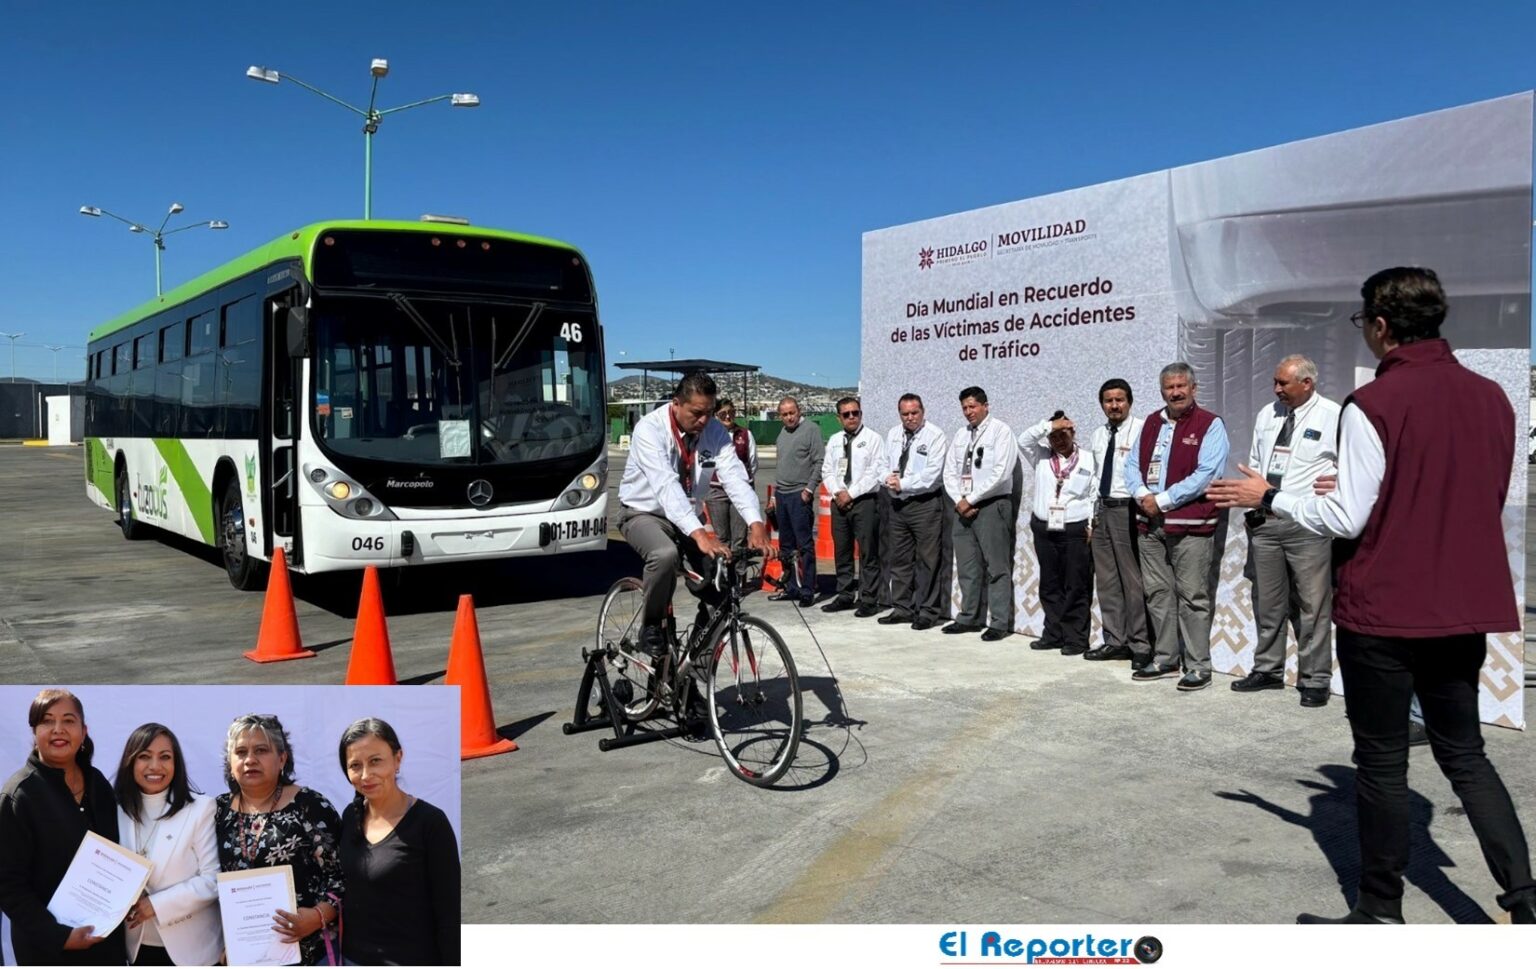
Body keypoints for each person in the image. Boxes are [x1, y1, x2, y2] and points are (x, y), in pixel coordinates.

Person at [1211, 266, 1535, 924]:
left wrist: (1269, 495)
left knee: (1381, 762)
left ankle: (1380, 909)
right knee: (1466, 755)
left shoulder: (1376, 404)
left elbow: (1346, 518)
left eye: (1363, 324)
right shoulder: (1494, 398)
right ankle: (1525, 901)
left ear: (1381, 326)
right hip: (1461, 605)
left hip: (1385, 608)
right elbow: (1479, 497)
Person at [617, 372, 772, 657]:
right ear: (676, 403)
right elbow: (665, 484)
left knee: (721, 593)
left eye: (709, 412)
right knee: (665, 555)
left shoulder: (713, 430)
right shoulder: (649, 429)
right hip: (644, 512)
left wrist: (756, 522)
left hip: (686, 516)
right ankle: (651, 625)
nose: (704, 421)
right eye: (697, 413)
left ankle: (694, 672)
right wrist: (700, 534)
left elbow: (736, 478)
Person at [1232, 355, 1340, 707]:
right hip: (1266, 522)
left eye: (1284, 383)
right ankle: (1268, 669)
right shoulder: (1268, 414)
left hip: (1307, 524)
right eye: (1275, 382)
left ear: (1307, 383)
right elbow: (1258, 461)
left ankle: (1315, 679)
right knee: (1267, 603)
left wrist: (1339, 484)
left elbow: (1353, 465)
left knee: (1312, 605)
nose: (1277, 389)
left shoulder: (1334, 415)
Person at [0, 689, 126, 966]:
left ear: (84, 730)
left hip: (105, 944)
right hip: (47, 951)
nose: (58, 730)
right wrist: (59, 936)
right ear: (34, 732)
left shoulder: (98, 783)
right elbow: (8, 885)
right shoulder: (19, 795)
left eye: (68, 721)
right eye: (47, 721)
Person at [1124, 362, 1230, 691]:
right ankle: (1166, 658)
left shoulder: (1210, 424)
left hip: (1190, 525)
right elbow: (1131, 465)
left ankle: (1199, 665)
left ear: (1194, 389)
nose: (1176, 392)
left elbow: (1207, 474)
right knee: (1157, 593)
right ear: (1162, 392)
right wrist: (1142, 494)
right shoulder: (1152, 423)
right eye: (1170, 387)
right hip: (1149, 523)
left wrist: (1164, 500)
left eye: (1182, 386)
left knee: (1193, 596)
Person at [214, 713, 343, 965]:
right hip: (242, 956)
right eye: (240, 752)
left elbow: (341, 876)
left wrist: (317, 916)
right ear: (230, 763)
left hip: (309, 951)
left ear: (282, 758)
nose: (250, 759)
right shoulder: (216, 811)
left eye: (261, 750)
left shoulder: (309, 805)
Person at [337, 718, 460, 966]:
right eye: (355, 765)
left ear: (398, 758)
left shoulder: (430, 823)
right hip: (352, 959)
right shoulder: (350, 816)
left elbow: (449, 915)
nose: (365, 775)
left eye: (375, 761)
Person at [114, 723, 221, 966]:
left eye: (165, 757)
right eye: (144, 756)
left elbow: (213, 879)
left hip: (193, 952)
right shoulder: (115, 809)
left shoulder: (201, 809)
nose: (155, 766)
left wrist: (156, 905)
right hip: (136, 949)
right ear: (130, 762)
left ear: (177, 764)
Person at [941, 385, 1019, 641]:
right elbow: (949, 471)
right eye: (964, 407)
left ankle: (998, 622)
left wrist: (972, 498)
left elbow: (1001, 473)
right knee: (967, 566)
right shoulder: (961, 435)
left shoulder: (1001, 431)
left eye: (972, 406)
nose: (968, 412)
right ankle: (969, 617)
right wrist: (960, 500)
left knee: (997, 566)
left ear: (986, 406)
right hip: (962, 507)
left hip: (991, 505)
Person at [1019, 411, 1098, 655]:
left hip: (1075, 528)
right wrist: (1049, 425)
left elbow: (1094, 494)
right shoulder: (1041, 456)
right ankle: (1053, 633)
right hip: (1044, 527)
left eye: (1063, 434)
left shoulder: (1088, 458)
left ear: (1073, 433)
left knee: (1076, 583)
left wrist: (1092, 524)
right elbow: (1023, 440)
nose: (1058, 440)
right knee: (1050, 583)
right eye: (1053, 436)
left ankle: (1075, 638)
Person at [1084, 378, 1151, 662]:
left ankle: (1140, 644)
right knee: (1107, 580)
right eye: (1108, 401)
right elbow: (1095, 477)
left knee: (1132, 580)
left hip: (1127, 508)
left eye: (1119, 400)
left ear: (1129, 402)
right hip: (1102, 508)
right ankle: (1115, 639)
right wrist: (1090, 517)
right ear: (1102, 404)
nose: (1114, 405)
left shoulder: (1141, 430)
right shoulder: (1099, 434)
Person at [880, 393, 949, 630]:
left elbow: (933, 474)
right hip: (898, 505)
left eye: (914, 413)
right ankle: (902, 608)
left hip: (924, 505)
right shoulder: (893, 434)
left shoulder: (935, 435)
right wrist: (887, 479)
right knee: (899, 559)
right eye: (905, 414)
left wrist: (904, 484)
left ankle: (928, 611)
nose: (910, 418)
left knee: (928, 560)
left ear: (923, 411)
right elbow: (882, 464)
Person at [819, 396, 887, 616]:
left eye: (855, 413)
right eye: (846, 414)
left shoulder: (873, 439)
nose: (851, 417)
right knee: (843, 551)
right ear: (839, 418)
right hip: (839, 502)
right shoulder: (835, 440)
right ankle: (845, 594)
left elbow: (875, 473)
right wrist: (838, 492)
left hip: (864, 501)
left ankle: (868, 599)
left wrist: (851, 493)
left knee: (868, 552)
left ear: (861, 414)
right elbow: (827, 470)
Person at [766, 396, 825, 606]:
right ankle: (791, 586)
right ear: (780, 416)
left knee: (805, 545)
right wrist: (774, 495)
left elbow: (819, 461)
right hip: (782, 495)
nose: (789, 417)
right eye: (785, 414)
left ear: (799, 411)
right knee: (786, 545)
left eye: (792, 412)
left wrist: (809, 489)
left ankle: (808, 589)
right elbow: (780, 464)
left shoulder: (811, 430)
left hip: (800, 494)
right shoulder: (782, 434)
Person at [704, 397, 758, 560]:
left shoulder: (745, 434)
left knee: (739, 537)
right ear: (715, 416)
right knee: (722, 537)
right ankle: (723, 576)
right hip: (716, 491)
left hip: (740, 490)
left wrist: (743, 483)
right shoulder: (708, 435)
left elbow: (752, 462)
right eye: (723, 414)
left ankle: (739, 576)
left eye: (731, 413)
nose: (728, 417)